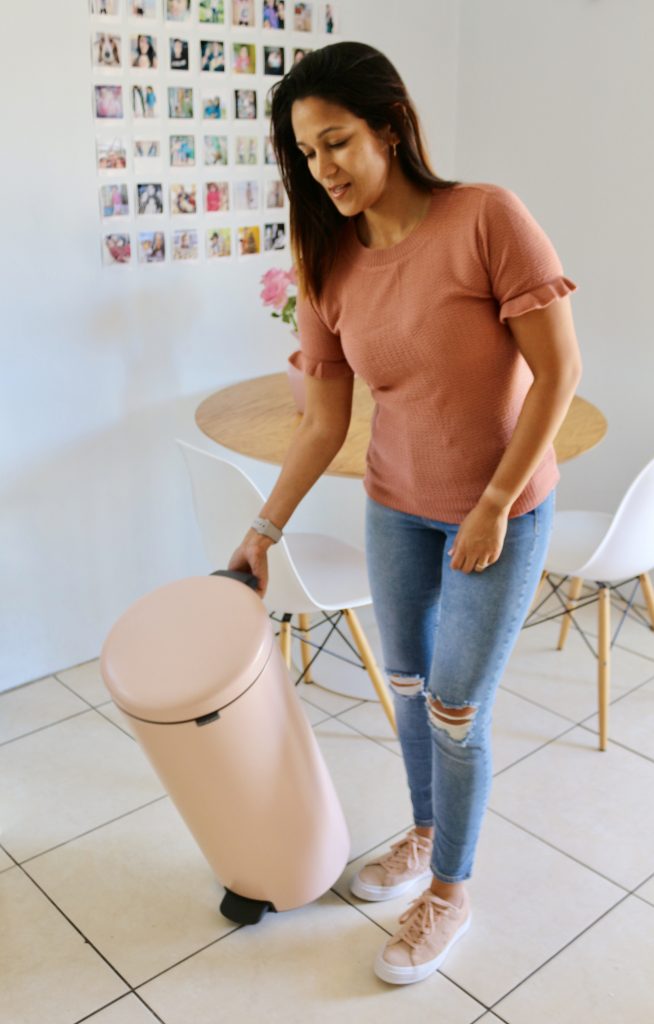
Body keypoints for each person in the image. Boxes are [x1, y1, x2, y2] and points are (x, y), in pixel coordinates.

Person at [228, 42, 582, 987]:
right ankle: (424, 836)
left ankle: (451, 892)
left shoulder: (485, 218)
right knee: (412, 687)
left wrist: (497, 501)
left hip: (500, 510)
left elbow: (560, 373)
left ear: (390, 125)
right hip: (397, 505)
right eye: (307, 154)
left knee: (459, 711)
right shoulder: (328, 261)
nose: (324, 168)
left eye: (336, 140)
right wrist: (262, 533)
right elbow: (324, 422)